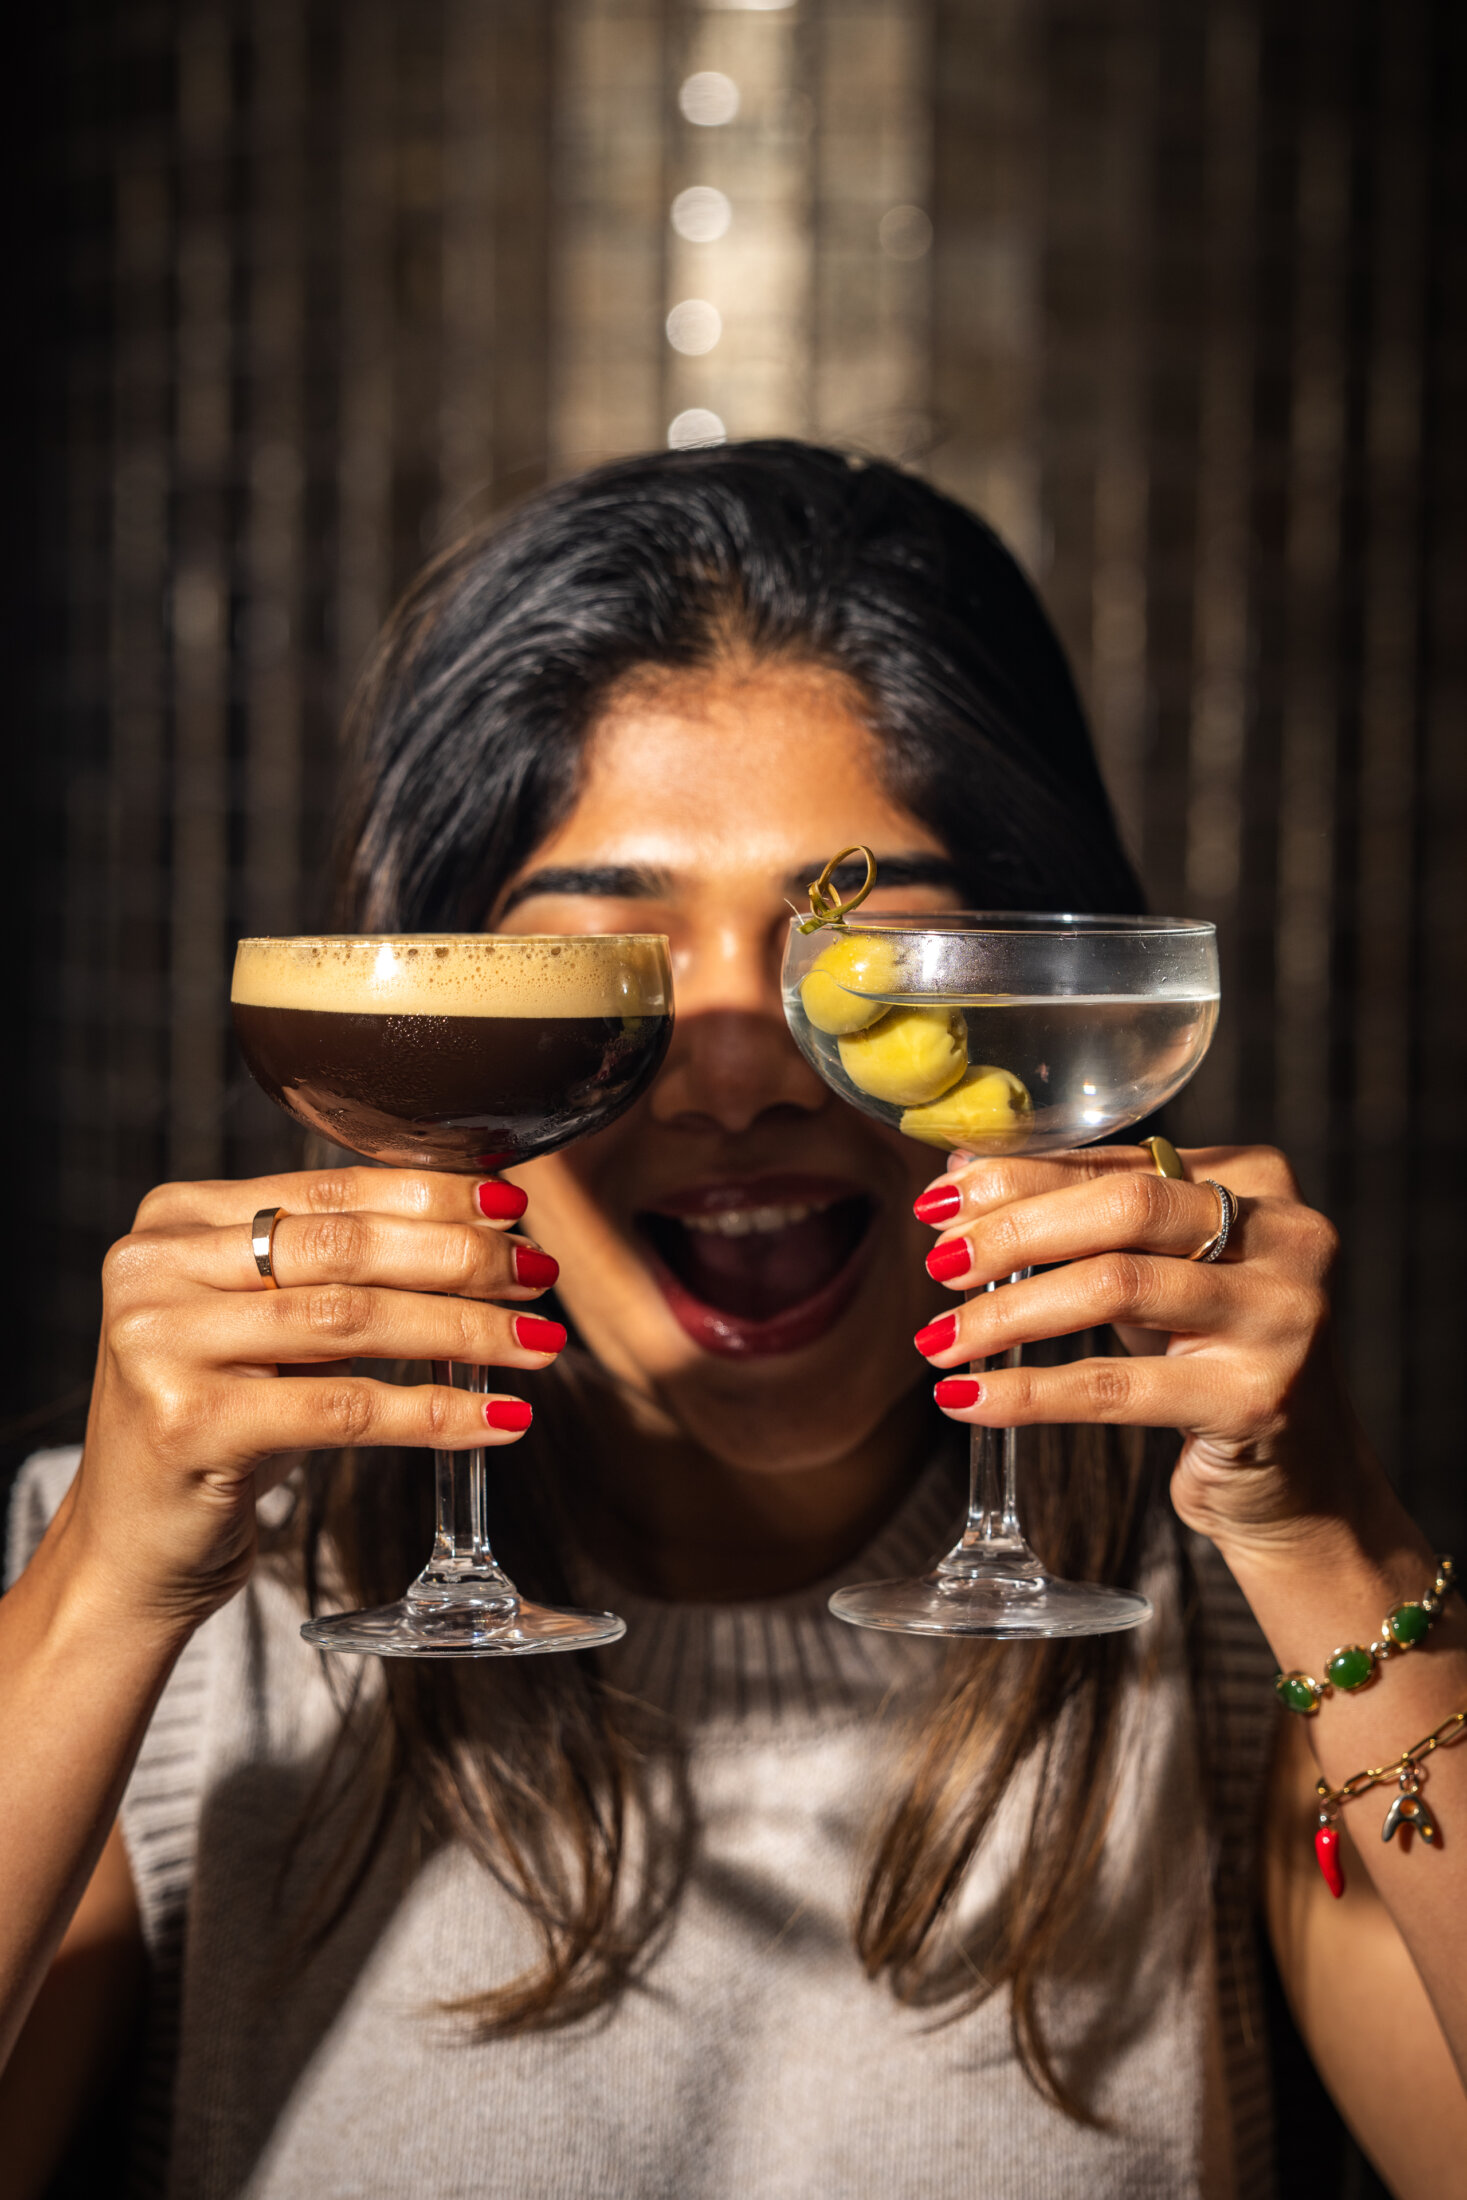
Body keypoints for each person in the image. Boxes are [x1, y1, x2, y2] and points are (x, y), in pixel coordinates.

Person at [1, 442, 1463, 2200]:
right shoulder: (183, 1623)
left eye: (858, 948)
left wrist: (1336, 1543)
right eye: (610, 961)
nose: (740, 1069)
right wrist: (101, 1583)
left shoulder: (1239, 1627)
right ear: (423, 1013)